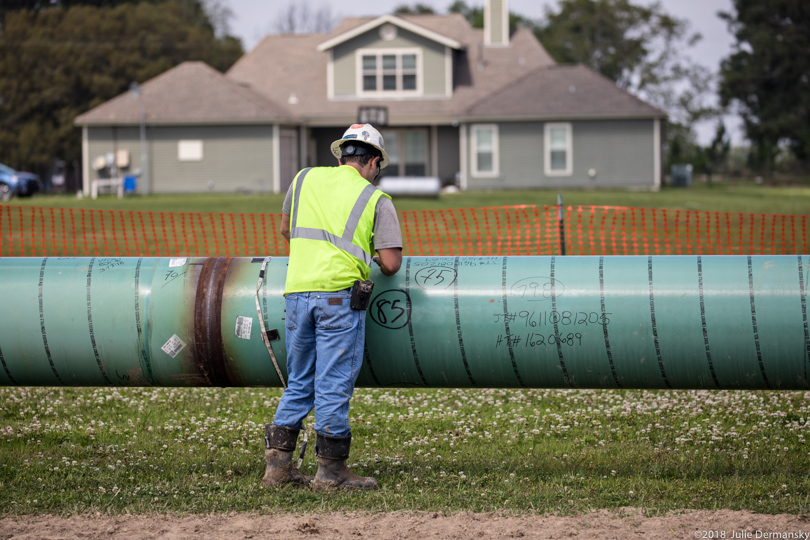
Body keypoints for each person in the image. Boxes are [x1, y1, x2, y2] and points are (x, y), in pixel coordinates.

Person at [262, 124, 403, 491]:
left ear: (341, 156)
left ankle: (277, 469)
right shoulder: (376, 199)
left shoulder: (304, 179)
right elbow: (390, 263)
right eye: (378, 167)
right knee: (333, 384)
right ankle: (331, 473)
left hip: (297, 293)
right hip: (339, 298)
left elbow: (285, 229)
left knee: (299, 382)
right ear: (372, 162)